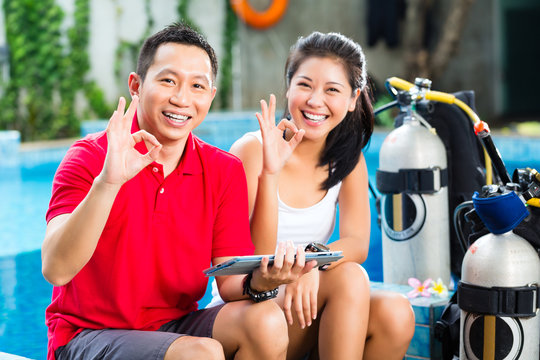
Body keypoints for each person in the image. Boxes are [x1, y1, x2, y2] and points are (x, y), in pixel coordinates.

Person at [41, 23, 315, 360]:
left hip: (174, 326)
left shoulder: (223, 170)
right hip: (88, 335)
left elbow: (230, 285)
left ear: (210, 96)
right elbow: (56, 269)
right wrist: (108, 182)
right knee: (201, 354)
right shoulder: (90, 156)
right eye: (168, 80)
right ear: (136, 85)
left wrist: (264, 281)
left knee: (266, 320)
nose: (182, 99)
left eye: (197, 86)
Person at [209, 31, 416, 359]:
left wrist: (311, 266)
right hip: (247, 308)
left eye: (332, 90)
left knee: (396, 313)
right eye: (304, 85)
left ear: (352, 99)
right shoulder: (252, 151)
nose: (315, 101)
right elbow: (252, 260)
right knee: (349, 278)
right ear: (289, 87)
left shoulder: (348, 159)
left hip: (299, 302)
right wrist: (270, 173)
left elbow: (357, 243)